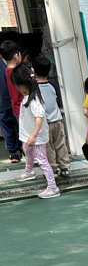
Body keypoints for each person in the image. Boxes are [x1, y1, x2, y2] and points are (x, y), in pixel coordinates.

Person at [11, 64, 59, 198]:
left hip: (35, 137)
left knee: (42, 160)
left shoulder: (34, 99)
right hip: (28, 135)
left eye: (16, 85)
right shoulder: (27, 97)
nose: (17, 88)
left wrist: (33, 135)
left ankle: (53, 187)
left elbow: (39, 118)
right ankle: (29, 171)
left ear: (22, 84)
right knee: (27, 150)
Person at [32, 55, 70, 180]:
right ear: (49, 72)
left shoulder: (33, 88)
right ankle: (64, 167)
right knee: (60, 143)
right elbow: (56, 100)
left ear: (33, 70)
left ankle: (53, 168)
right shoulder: (53, 86)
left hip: (43, 122)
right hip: (57, 120)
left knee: (48, 147)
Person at [0, 42, 22, 162]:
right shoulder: (11, 69)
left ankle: (14, 152)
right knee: (17, 127)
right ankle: (18, 150)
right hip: (10, 103)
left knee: (8, 128)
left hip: (3, 103)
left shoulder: (7, 66)